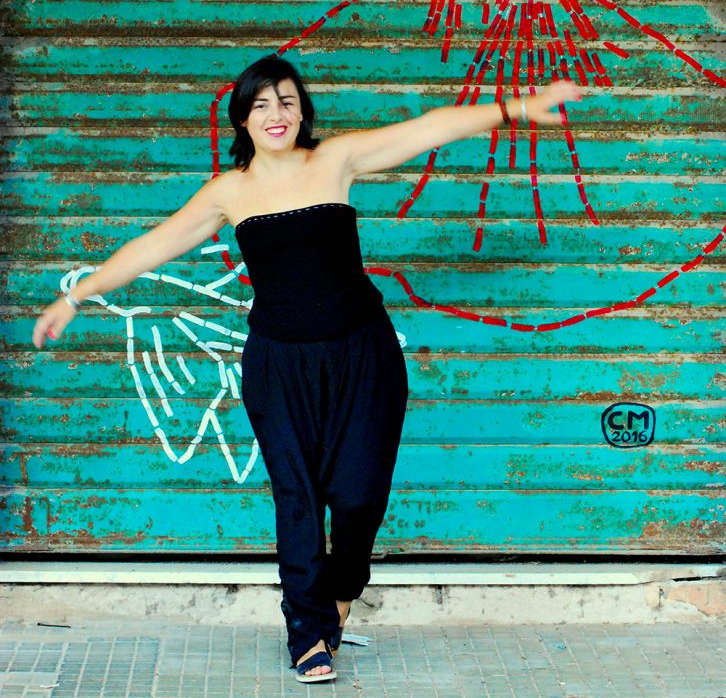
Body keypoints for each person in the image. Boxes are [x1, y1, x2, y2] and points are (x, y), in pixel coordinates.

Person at [32, 55, 582, 683]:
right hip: (279, 363)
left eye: (287, 101)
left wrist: (515, 108)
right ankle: (307, 632)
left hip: (362, 354)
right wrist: (77, 295)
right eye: (261, 104)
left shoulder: (335, 160)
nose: (276, 114)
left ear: (302, 112)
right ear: (242, 118)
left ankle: (342, 592)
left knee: (358, 495)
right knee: (297, 497)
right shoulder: (228, 191)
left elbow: (429, 128)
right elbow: (153, 245)